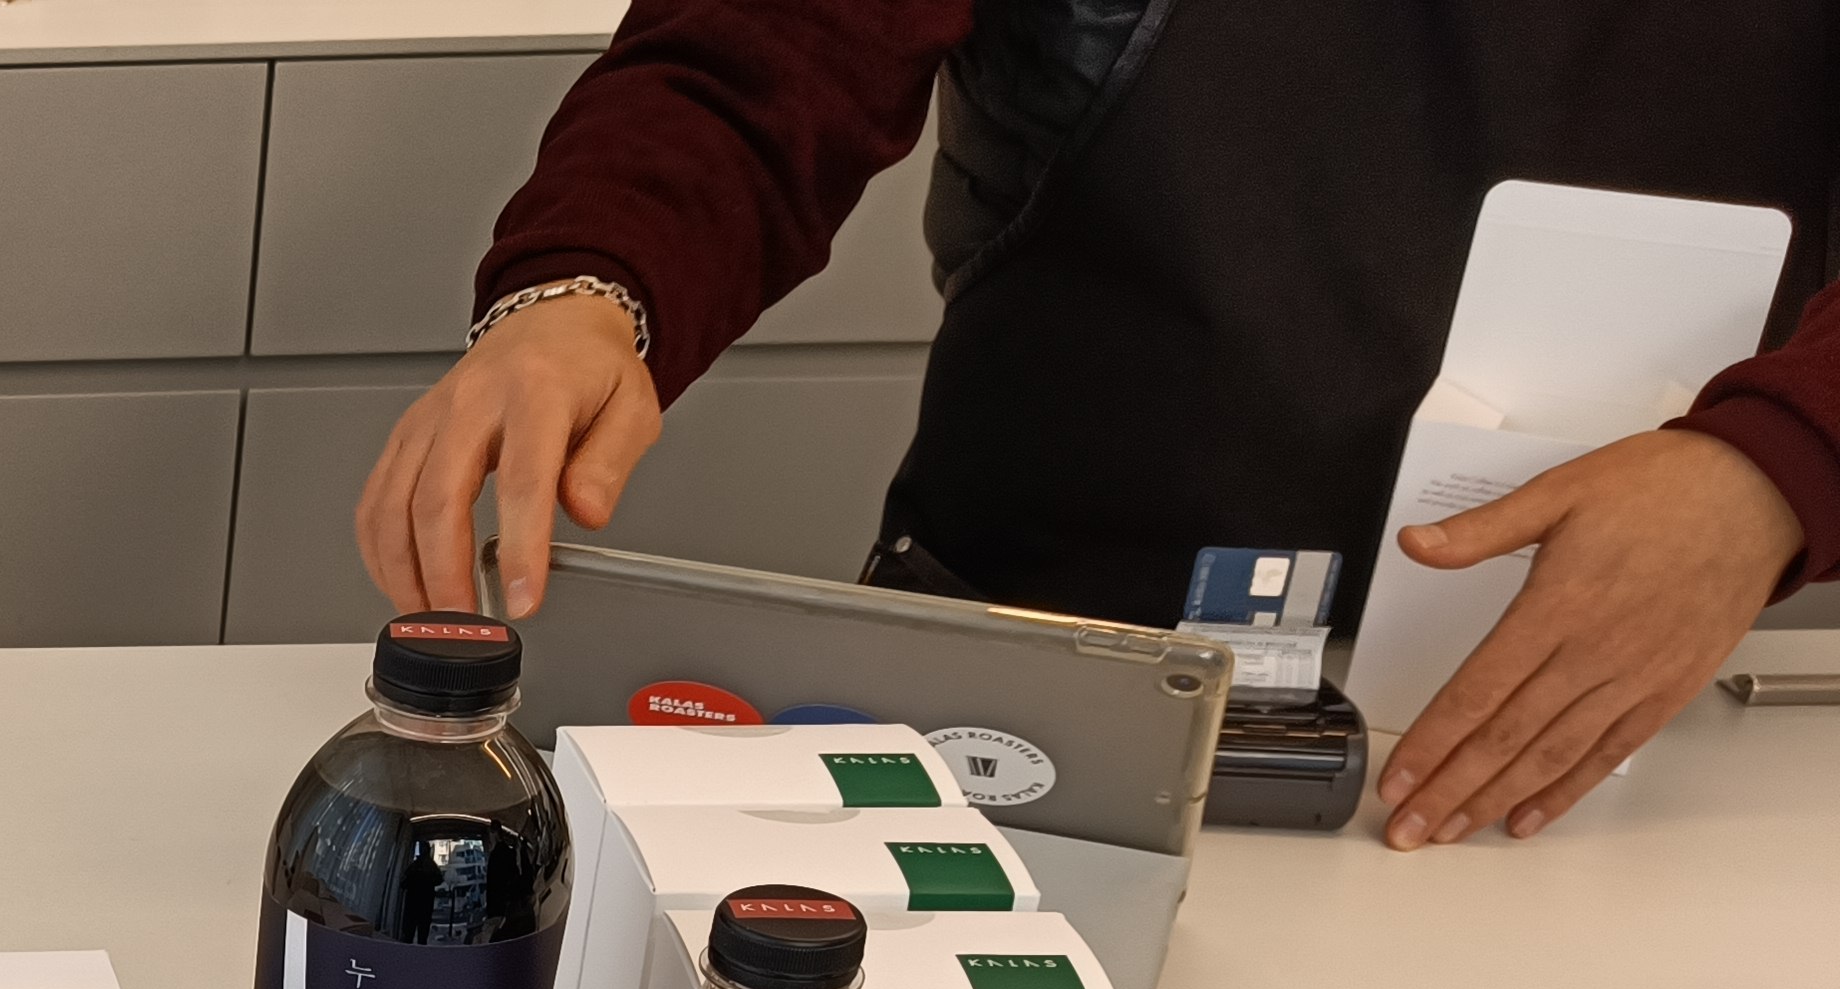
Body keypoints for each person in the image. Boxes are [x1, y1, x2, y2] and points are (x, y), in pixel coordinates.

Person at [352, 1, 1840, 849]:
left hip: (1648, 717)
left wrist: (1782, 464)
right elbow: (760, 58)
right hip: (1045, 685)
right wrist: (581, 286)